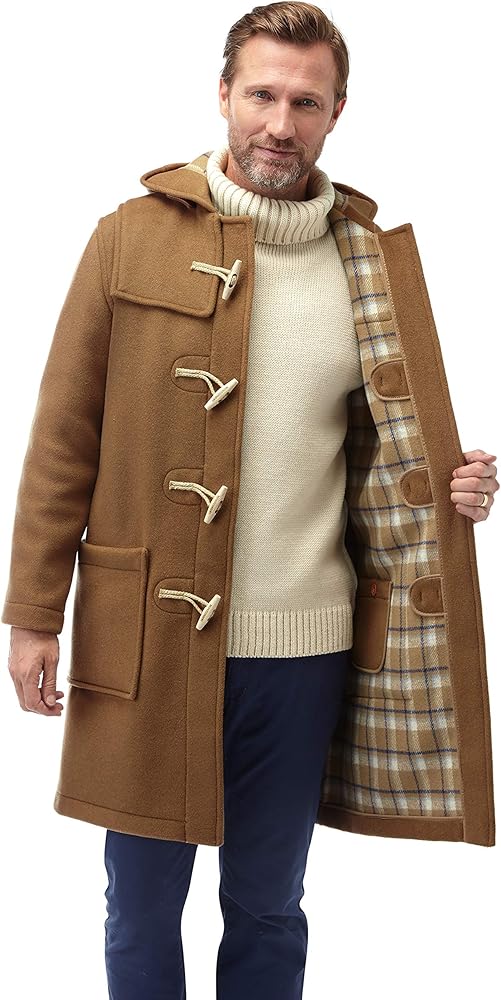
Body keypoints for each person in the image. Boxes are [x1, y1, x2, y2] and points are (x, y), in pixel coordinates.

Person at [3, 3, 498, 998]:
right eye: (262, 94)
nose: (280, 123)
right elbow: (63, 439)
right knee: (141, 909)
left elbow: (389, 448)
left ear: (336, 113)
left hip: (302, 649)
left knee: (269, 905)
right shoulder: (127, 237)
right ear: (222, 94)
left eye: (305, 102)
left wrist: (456, 484)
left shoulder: (370, 263)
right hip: (148, 636)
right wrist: (32, 613)